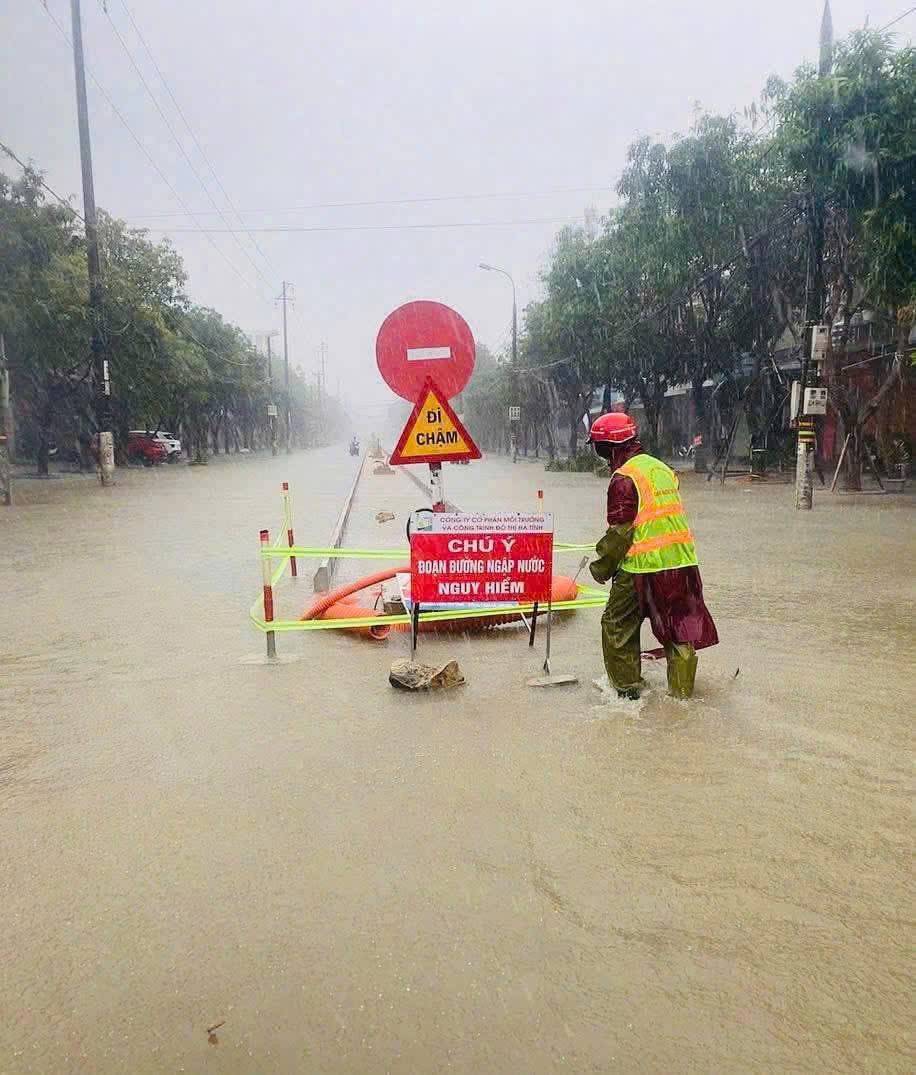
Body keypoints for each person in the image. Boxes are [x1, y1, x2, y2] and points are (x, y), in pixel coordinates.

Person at [587, 412, 718, 700]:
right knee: (678, 630)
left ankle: (628, 694)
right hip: (682, 564)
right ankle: (682, 698)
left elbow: (621, 533)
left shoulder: (624, 478)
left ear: (609, 447)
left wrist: (601, 568)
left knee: (617, 625)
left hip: (641, 567)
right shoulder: (663, 469)